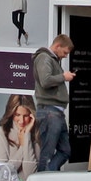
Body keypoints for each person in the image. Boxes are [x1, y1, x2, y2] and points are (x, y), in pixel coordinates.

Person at [32, 34, 75, 171]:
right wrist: (63, 76)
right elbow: (45, 81)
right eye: (65, 52)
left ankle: (49, 177)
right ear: (57, 46)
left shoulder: (52, 60)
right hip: (49, 111)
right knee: (47, 153)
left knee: (65, 151)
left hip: (56, 112)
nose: (65, 56)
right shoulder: (44, 58)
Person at [0, 97, 39, 181]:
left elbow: (30, 175)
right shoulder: (1, 132)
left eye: (26, 115)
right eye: (17, 115)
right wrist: (22, 147)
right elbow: (4, 173)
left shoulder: (37, 134)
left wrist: (27, 136)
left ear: (31, 115)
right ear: (11, 114)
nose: (22, 121)